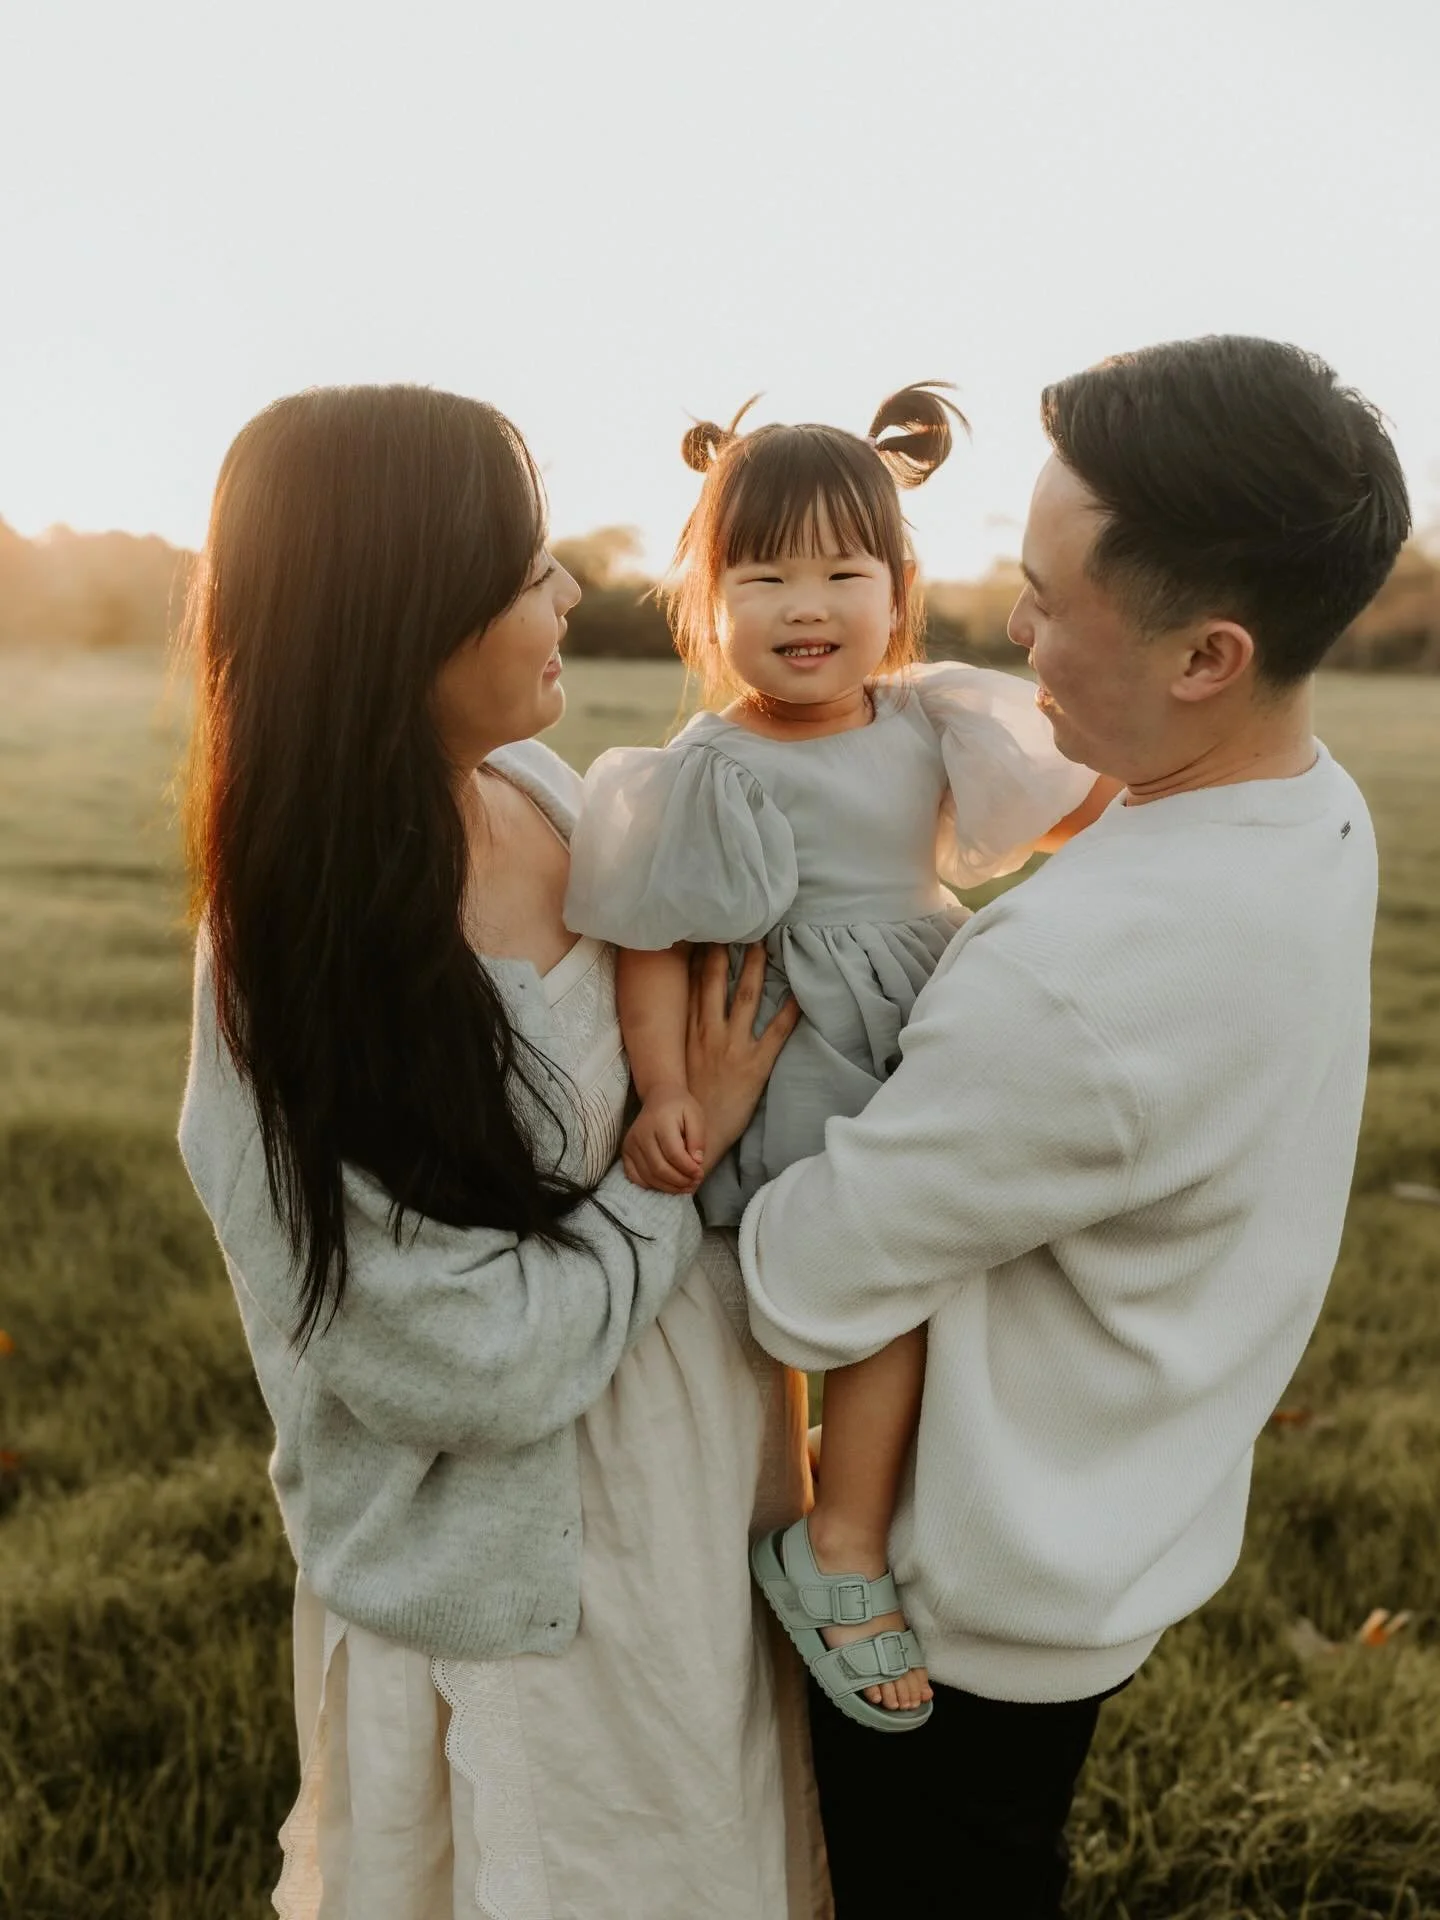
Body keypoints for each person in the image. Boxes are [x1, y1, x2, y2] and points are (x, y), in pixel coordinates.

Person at [737, 335, 1411, 1915]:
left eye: (1049, 596)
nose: (1010, 624)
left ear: (1206, 657)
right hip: (1119, 1510)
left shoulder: (1077, 983)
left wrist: (725, 1090)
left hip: (959, 1610)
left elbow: (802, 1283)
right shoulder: (1307, 805)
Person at [176, 383, 831, 1919]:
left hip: (685, 1500)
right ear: (401, 607)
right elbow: (462, 1363)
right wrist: (679, 1167)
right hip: (514, 1590)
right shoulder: (290, 963)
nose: (567, 591)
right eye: (523, 565)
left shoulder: (547, 793)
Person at [563, 384, 1112, 1727]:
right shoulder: (703, 760)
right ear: (707, 598)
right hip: (791, 1043)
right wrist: (674, 1088)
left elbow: (1064, 811)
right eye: (763, 576)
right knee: (869, 1288)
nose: (805, 606)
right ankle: (835, 1542)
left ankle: (862, 1508)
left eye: (840, 572)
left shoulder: (932, 719)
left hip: (927, 1024)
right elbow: (653, 937)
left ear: (897, 587)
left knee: (920, 1283)